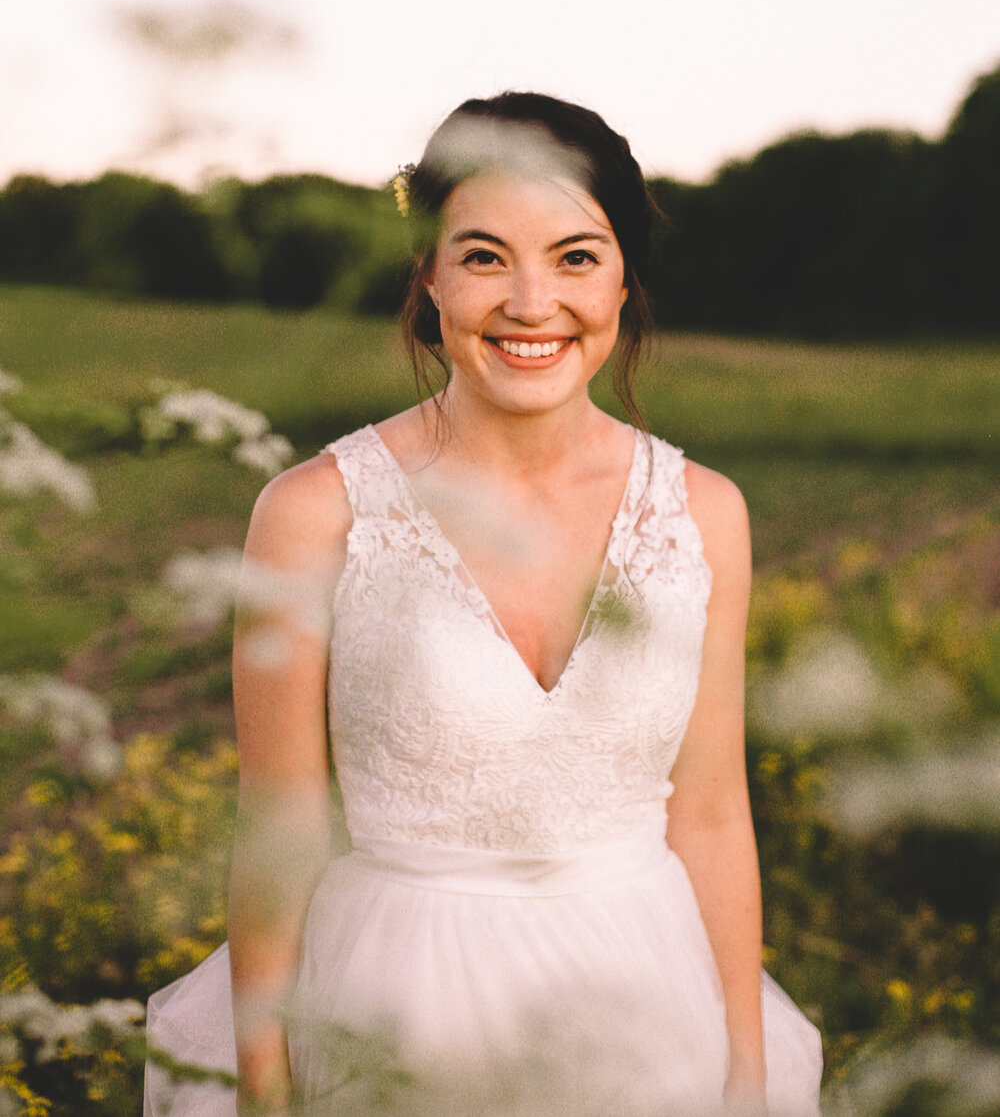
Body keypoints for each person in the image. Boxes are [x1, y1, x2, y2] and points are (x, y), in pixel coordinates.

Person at [145, 93, 823, 1116]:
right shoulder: (312, 513)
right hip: (389, 1024)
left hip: (650, 1018)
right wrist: (264, 1091)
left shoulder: (703, 514)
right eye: (483, 256)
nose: (531, 301)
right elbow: (277, 826)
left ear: (625, 275)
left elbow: (715, 814)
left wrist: (742, 1077)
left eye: (576, 257)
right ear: (426, 274)